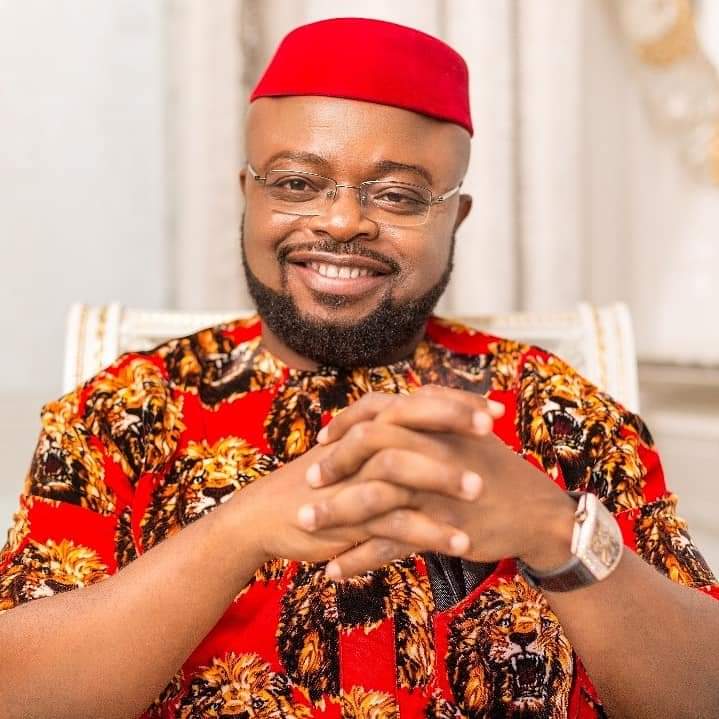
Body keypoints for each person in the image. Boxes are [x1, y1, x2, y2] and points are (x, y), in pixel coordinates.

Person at [0, 17, 717, 719]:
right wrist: (237, 529)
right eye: (295, 183)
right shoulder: (122, 410)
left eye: (397, 195)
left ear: (456, 217)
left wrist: (555, 534)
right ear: (248, 194)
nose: (342, 222)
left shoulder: (561, 410)